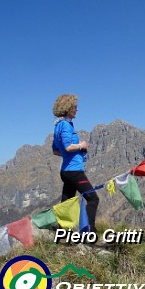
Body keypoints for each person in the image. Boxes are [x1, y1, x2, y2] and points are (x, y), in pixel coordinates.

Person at [50, 94, 98, 233]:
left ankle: (61, 230)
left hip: (66, 171)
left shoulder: (58, 125)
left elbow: (55, 151)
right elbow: (67, 147)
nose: (77, 109)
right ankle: (90, 232)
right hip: (74, 171)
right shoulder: (65, 125)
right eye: (75, 107)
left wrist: (72, 151)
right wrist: (81, 145)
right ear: (68, 108)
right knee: (93, 198)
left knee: (67, 203)